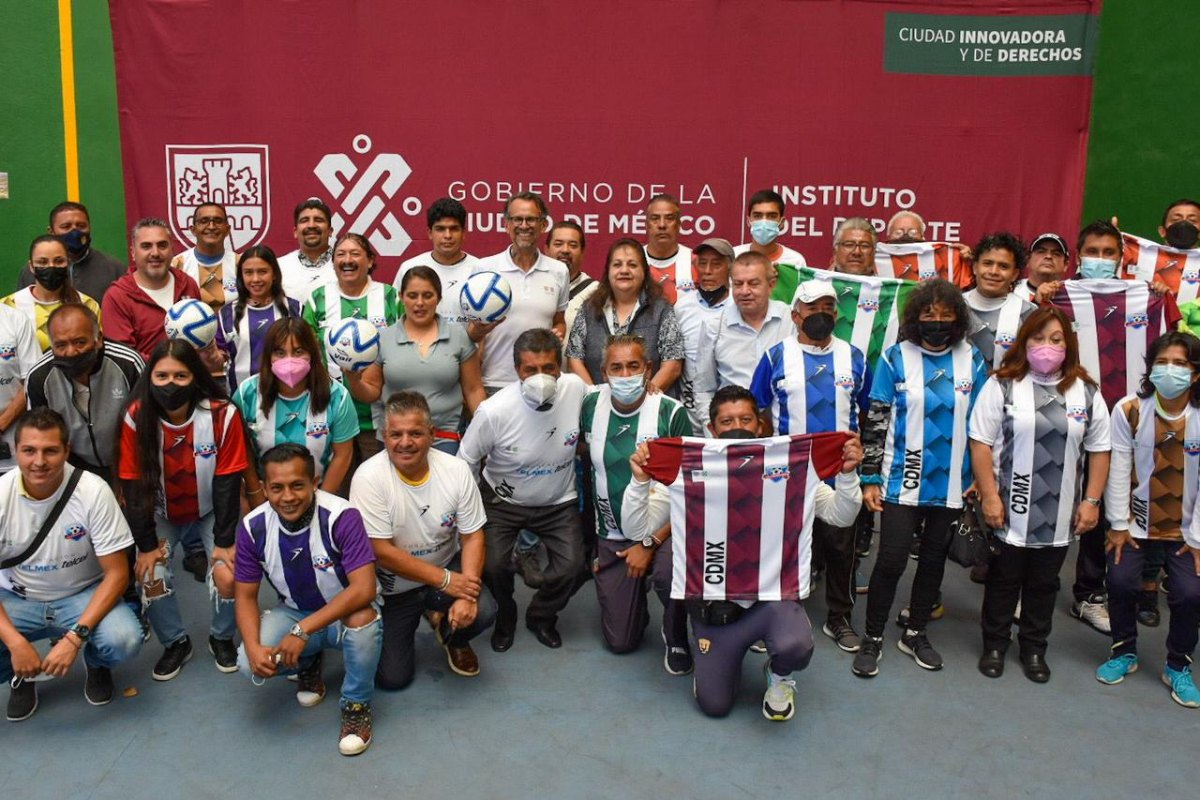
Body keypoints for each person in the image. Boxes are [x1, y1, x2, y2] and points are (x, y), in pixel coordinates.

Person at [622, 386, 864, 720]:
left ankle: (779, 675)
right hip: (717, 609)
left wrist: (848, 475)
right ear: (712, 429)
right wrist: (637, 481)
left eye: (746, 419)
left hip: (770, 601)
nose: (737, 426)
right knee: (715, 706)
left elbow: (843, 515)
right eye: (727, 420)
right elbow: (637, 529)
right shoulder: (690, 465)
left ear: (761, 425)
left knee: (796, 645)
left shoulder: (789, 463)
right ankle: (696, 641)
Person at [1046, 219, 1182, 635]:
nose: (1101, 260)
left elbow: (1174, 344)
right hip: (1068, 415)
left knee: (1104, 505)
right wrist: (1044, 296)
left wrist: (1162, 297)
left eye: (1109, 253)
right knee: (1052, 496)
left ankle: (1091, 593)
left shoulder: (1151, 297)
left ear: (1122, 258)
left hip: (1127, 423)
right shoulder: (1058, 296)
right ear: (1079, 254)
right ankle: (1026, 588)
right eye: (1093, 251)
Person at [854, 279, 988, 677]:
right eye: (929, 315)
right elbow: (876, 418)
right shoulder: (896, 357)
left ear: (958, 320)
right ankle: (873, 637)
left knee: (932, 562)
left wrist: (981, 478)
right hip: (900, 479)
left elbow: (984, 427)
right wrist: (869, 477)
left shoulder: (974, 360)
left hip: (952, 482)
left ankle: (915, 632)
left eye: (946, 315)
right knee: (891, 560)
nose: (937, 322)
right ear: (915, 319)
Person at [970, 308, 1110, 682]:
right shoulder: (1001, 384)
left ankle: (1034, 648)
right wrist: (989, 496)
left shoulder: (1087, 391)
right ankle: (995, 644)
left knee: (1044, 584)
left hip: (1060, 512)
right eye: (1037, 338)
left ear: (1069, 345)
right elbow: (980, 444)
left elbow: (1100, 449)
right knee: (1003, 579)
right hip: (1009, 506)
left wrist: (1091, 501)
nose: (1046, 346)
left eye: (1056, 339)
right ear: (1024, 342)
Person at [234, 443, 381, 756]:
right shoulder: (252, 528)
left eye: (297, 485)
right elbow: (245, 595)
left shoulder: (342, 516)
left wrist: (302, 631)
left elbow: (364, 589)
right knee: (248, 662)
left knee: (363, 621)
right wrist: (254, 646)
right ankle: (308, 661)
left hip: (346, 614)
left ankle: (356, 704)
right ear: (263, 488)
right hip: (295, 613)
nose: (287, 497)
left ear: (315, 482)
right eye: (276, 488)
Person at [115, 339, 248, 679]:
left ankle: (221, 637)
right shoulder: (135, 417)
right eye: (161, 376)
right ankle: (176, 642)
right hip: (161, 514)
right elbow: (135, 486)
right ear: (150, 377)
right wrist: (145, 547)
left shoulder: (223, 413)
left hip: (210, 511)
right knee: (152, 577)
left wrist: (223, 541)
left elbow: (229, 481)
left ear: (196, 376)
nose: (170, 384)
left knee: (228, 571)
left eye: (180, 375)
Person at [751, 280, 871, 653]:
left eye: (827, 308)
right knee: (782, 547)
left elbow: (865, 409)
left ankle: (839, 617)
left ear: (836, 314)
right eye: (811, 308)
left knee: (841, 546)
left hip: (839, 471)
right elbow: (757, 410)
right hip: (789, 471)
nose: (820, 315)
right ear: (795, 315)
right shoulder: (775, 357)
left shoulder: (854, 357)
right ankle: (773, 616)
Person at [0, 408, 142, 721]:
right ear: (15, 451)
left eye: (50, 451)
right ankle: (21, 671)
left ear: (67, 451)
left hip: (82, 594)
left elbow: (118, 574)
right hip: (17, 598)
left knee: (124, 639)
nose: (39, 462)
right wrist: (15, 643)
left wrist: (75, 638)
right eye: (29, 451)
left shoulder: (92, 491)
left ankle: (95, 660)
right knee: (12, 645)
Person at [351, 391, 496, 688]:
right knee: (392, 679)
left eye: (415, 433)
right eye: (396, 434)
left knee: (484, 609)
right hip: (394, 589)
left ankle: (452, 633)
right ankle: (432, 611)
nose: (405, 442)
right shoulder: (368, 478)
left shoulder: (456, 470)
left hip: (442, 572)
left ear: (431, 434)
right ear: (383, 435)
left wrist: (466, 595)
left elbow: (472, 537)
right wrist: (446, 580)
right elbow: (380, 551)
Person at [460, 329, 588, 651]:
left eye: (548, 368)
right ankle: (505, 616)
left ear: (560, 368)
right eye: (531, 369)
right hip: (502, 500)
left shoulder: (576, 389)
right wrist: (470, 512)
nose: (540, 377)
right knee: (493, 566)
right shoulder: (494, 411)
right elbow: (467, 460)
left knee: (572, 567)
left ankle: (542, 617)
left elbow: (609, 402)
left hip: (558, 501)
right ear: (517, 370)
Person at [1096, 332, 1200, 707]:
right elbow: (1119, 467)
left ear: (1196, 374)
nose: (1170, 370)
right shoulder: (1129, 409)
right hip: (1136, 525)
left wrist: (1198, 537)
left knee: (1191, 594)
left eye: (1181, 364)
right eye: (1162, 362)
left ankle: (1177, 665)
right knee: (1122, 581)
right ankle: (1123, 651)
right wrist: (1119, 525)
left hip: (1188, 531)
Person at [580, 335, 692, 669]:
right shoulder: (589, 405)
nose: (625, 374)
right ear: (603, 371)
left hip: (662, 532)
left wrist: (650, 542)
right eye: (616, 367)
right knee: (621, 642)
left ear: (648, 369)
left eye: (634, 366)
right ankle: (631, 598)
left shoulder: (670, 413)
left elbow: (688, 489)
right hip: (612, 534)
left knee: (669, 575)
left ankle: (676, 635)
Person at [343, 267, 483, 455]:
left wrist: (485, 430)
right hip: (398, 440)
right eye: (412, 295)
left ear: (439, 298)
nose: (420, 303)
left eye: (427, 295)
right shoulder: (383, 338)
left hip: (445, 438)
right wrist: (354, 380)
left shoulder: (458, 335)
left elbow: (473, 390)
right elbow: (371, 392)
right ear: (401, 296)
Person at [303, 233, 402, 467]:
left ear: (370, 261)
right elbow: (306, 351)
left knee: (378, 488)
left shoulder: (389, 296)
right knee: (337, 488)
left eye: (355, 254)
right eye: (341, 254)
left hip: (380, 418)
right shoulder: (318, 298)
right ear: (333, 262)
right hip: (331, 416)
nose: (347, 260)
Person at [232, 318, 357, 493]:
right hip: (265, 496)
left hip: (319, 492)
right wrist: (255, 495)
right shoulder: (247, 393)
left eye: (298, 352)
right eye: (280, 353)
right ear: (269, 356)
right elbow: (240, 449)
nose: (289, 361)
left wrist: (322, 502)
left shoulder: (337, 396)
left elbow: (343, 455)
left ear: (312, 353)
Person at [25, 304, 142, 482]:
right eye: (61, 345)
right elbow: (40, 436)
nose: (71, 352)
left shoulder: (128, 364)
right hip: (73, 470)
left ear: (98, 339)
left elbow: (148, 425)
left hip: (131, 464)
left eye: (79, 342)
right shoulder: (39, 377)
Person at [472, 193, 569, 391]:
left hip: (542, 383)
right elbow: (471, 333)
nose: (524, 225)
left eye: (531, 219)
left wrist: (557, 333)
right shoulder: (484, 269)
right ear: (506, 224)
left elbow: (559, 320)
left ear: (543, 225)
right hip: (493, 383)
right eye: (517, 219)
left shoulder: (559, 271)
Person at [566, 237, 684, 392]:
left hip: (649, 406)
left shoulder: (661, 310)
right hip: (598, 408)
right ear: (608, 271)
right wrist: (594, 397)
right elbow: (574, 358)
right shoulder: (590, 309)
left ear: (644, 271)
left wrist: (643, 399)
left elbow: (673, 364)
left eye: (632, 265)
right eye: (617, 265)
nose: (624, 271)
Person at [692, 252, 794, 427]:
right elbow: (703, 389)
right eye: (738, 284)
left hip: (784, 430)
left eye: (753, 284)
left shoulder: (791, 321)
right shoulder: (713, 327)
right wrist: (715, 428)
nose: (745, 291)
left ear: (771, 285)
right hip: (733, 432)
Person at [101, 217, 203, 361]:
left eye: (162, 245)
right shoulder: (117, 296)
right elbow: (122, 358)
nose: (155, 253)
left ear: (172, 249)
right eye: (146, 246)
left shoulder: (187, 284)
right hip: (142, 381)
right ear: (133, 253)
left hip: (190, 379)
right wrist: (169, 366)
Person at [214, 245, 301, 392]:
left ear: (274, 274)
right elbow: (218, 358)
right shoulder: (226, 315)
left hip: (287, 396)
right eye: (248, 272)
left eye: (262, 272)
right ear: (241, 276)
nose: (255, 279)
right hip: (241, 399)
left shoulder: (295, 309)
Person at [5, 235, 102, 352]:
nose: (51, 267)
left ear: (68, 263)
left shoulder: (87, 305)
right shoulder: (8, 306)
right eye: (42, 262)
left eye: (59, 261)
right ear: (31, 266)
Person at [16, 202, 126, 303]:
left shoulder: (114, 269)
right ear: (51, 232)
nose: (74, 231)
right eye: (66, 226)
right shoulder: (32, 271)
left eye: (81, 226)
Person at [676, 238, 733, 430]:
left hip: (731, 418)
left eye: (716, 264)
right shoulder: (682, 306)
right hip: (690, 419)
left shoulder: (740, 305)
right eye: (702, 263)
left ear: (730, 268)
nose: (707, 270)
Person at [394, 197, 478, 325]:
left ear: (463, 233)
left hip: (467, 345)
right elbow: (397, 318)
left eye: (454, 229)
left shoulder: (480, 269)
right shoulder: (409, 268)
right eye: (440, 229)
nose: (447, 235)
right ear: (429, 233)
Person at [964, 232, 1037, 370]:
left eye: (1003, 266)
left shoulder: (1029, 313)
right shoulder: (954, 306)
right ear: (975, 267)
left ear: (1015, 274)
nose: (993, 271)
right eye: (987, 263)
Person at [733, 189, 808, 303]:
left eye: (771, 216)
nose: (764, 222)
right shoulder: (733, 256)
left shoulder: (795, 261)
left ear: (782, 222)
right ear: (749, 221)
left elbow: (800, 304)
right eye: (758, 216)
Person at [172, 202, 237, 311]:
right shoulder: (177, 265)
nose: (211, 227)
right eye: (204, 221)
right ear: (193, 229)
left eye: (218, 221)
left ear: (227, 229)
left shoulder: (240, 264)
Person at [277, 198, 335, 302]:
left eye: (318, 220)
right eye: (304, 220)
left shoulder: (345, 266)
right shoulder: (278, 267)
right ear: (295, 231)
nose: (311, 225)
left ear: (330, 231)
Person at [642, 194, 694, 305]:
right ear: (646, 225)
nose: (662, 225)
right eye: (655, 218)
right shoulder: (634, 260)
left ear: (679, 224)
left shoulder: (695, 262)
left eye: (669, 218)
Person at [549, 220, 597, 337]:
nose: (565, 250)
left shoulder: (596, 292)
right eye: (558, 244)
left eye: (573, 245)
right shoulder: (533, 284)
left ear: (582, 252)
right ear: (546, 249)